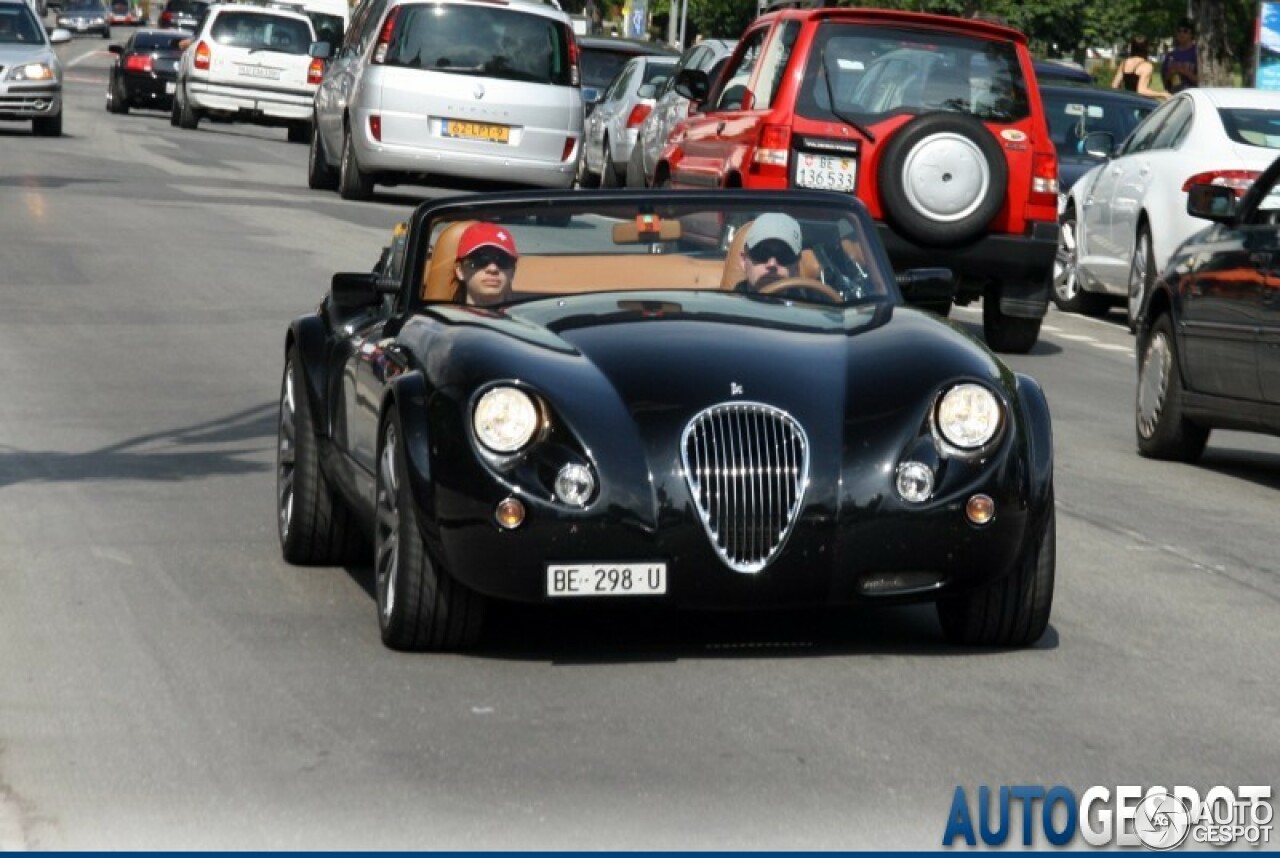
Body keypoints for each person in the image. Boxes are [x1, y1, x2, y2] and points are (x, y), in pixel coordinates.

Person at [734, 213, 803, 292]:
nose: (772, 264)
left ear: (797, 267)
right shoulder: (724, 304)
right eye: (761, 254)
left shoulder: (812, 302)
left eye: (784, 255)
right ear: (744, 261)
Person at [454, 222, 518, 306]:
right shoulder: (440, 318)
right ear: (460, 271)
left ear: (513, 271)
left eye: (503, 260)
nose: (493, 269)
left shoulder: (525, 318)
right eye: (479, 259)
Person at [1161, 18, 1199, 94]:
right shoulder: (1171, 55)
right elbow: (1164, 81)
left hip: (1193, 97)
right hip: (1174, 96)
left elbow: (1205, 82)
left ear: (1191, 34)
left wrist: (1186, 72)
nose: (1181, 33)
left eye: (1185, 31)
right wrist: (1170, 73)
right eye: (1179, 30)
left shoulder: (1197, 54)